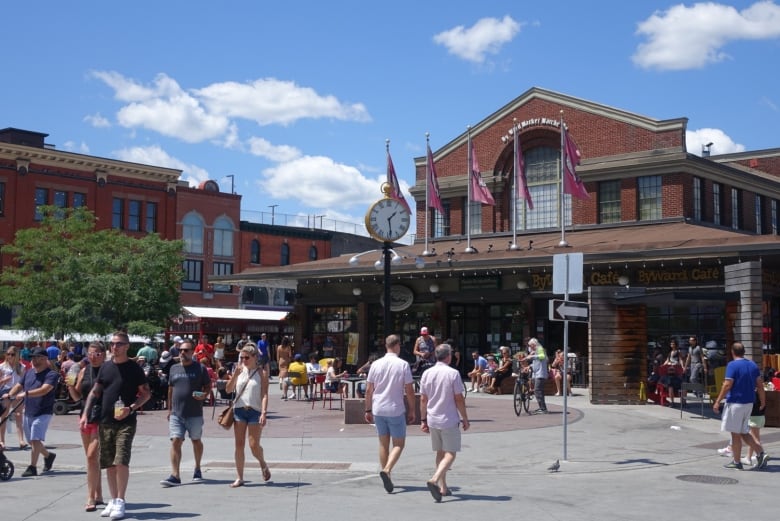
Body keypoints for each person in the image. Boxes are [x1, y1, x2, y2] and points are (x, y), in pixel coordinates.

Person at [79, 332, 151, 520]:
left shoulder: (134, 368)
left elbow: (146, 394)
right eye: (112, 344)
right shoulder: (106, 368)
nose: (114, 347)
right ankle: (112, 500)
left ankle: (120, 500)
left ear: (127, 346)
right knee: (109, 463)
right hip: (106, 421)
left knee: (121, 460)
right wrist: (86, 413)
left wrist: (132, 408)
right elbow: (95, 392)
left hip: (126, 422)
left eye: (118, 344)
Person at [364, 334, 416, 493]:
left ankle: (388, 475)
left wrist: (367, 409)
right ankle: (387, 470)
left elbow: (368, 390)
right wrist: (412, 409)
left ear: (386, 346)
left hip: (378, 408)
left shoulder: (376, 364)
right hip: (395, 408)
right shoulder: (403, 364)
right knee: (399, 444)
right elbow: (409, 390)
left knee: (383, 444)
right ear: (397, 345)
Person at [419, 343, 469, 502]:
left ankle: (443, 487)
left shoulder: (427, 373)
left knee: (440, 452)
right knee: (450, 453)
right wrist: (465, 418)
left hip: (433, 417)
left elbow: (423, 399)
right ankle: (434, 479)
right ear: (448, 356)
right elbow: (458, 398)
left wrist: (423, 419)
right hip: (448, 418)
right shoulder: (453, 373)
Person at [160, 339, 212, 487]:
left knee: (196, 440)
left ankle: (197, 468)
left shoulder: (200, 368)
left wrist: (204, 395)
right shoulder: (174, 368)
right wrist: (169, 409)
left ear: (192, 352)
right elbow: (170, 389)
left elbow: (208, 386)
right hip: (177, 413)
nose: (183, 352)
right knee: (176, 441)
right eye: (181, 350)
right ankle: (175, 475)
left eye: (186, 350)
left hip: (194, 412)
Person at [2, 346, 58, 477]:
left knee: (35, 438)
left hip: (44, 412)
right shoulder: (29, 373)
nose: (34, 360)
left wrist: (25, 394)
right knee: (33, 441)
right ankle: (49, 456)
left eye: (38, 357)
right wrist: (9, 395)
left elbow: (44, 390)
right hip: (29, 411)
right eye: (33, 357)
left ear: (45, 359)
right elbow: (18, 385)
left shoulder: (51, 374)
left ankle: (32, 467)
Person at [712, 341, 769, 470]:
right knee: (743, 432)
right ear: (744, 352)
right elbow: (760, 385)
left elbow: (727, 384)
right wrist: (763, 401)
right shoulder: (752, 365)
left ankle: (738, 462)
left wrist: (718, 401)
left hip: (736, 403)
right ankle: (760, 453)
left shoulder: (732, 365)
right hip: (749, 403)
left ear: (732, 352)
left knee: (735, 434)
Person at [66, 341, 106, 511]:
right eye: (90, 353)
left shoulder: (108, 371)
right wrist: (69, 384)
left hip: (102, 418)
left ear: (103, 355)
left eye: (97, 353)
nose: (93, 356)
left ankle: (90, 497)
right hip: (85, 417)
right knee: (91, 459)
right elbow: (76, 397)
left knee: (91, 456)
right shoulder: (84, 370)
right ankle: (99, 494)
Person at [225, 343, 271, 487]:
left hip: (254, 411)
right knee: (239, 445)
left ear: (255, 357)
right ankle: (240, 477)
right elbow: (228, 390)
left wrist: (264, 412)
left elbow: (264, 394)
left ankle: (263, 463)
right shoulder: (238, 370)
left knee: (253, 445)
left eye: (246, 357)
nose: (243, 360)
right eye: (242, 357)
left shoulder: (261, 373)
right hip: (239, 410)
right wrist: (235, 376)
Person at [0, 346, 28, 450]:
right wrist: (4, 380)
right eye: (8, 354)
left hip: (17, 392)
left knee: (18, 416)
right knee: (4, 416)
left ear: (17, 355)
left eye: (12, 354)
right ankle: (2, 441)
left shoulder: (22, 367)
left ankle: (21, 440)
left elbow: (24, 382)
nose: (9, 356)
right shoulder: (2, 367)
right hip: (5, 392)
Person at [526, 338, 549, 413]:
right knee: (539, 391)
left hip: (541, 374)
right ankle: (542, 408)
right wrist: (530, 366)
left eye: (530, 346)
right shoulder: (536, 350)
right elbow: (538, 362)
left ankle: (543, 409)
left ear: (533, 344)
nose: (530, 348)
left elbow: (542, 357)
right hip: (538, 374)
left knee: (537, 390)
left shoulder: (539, 348)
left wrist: (532, 357)